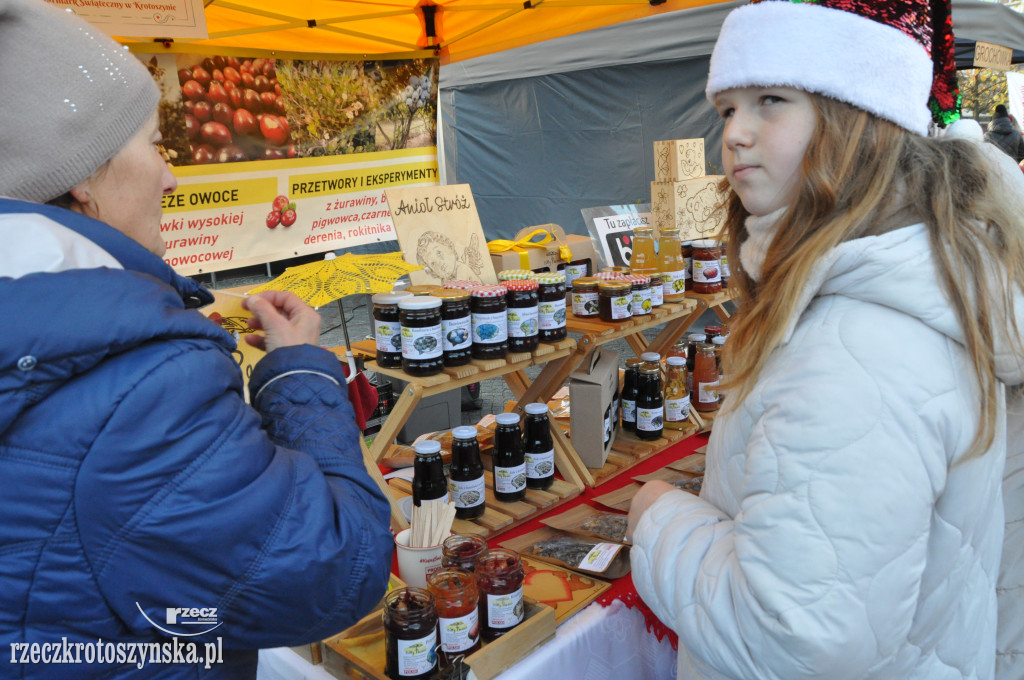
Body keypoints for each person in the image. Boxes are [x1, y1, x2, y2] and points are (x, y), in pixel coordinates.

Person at [627, 1, 1024, 679]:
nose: (736, 134)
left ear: (857, 122)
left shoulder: (858, 344)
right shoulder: (902, 285)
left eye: (770, 101)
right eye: (727, 109)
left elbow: (795, 639)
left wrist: (657, 518)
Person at [0, 0, 393, 677]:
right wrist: (300, 370)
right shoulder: (137, 379)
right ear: (82, 180)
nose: (170, 173)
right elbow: (334, 566)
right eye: (152, 144)